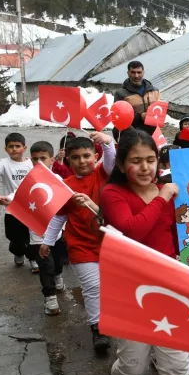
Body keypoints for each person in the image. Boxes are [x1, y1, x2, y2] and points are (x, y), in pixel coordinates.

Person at [100, 130, 189, 375]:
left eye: (150, 160)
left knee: (177, 365)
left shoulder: (172, 191)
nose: (145, 167)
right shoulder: (112, 193)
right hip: (129, 290)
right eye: (136, 161)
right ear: (122, 165)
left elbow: (179, 238)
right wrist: (162, 197)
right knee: (133, 366)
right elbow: (133, 231)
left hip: (170, 287)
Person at [40, 132, 115, 355]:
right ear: (68, 161)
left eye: (86, 155)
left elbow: (112, 161)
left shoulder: (104, 173)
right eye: (75, 157)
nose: (82, 161)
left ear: (95, 156)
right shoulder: (66, 186)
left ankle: (113, 320)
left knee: (109, 287)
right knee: (92, 288)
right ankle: (97, 330)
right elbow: (59, 217)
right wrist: (47, 241)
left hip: (111, 245)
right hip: (81, 246)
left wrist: (108, 143)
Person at [0, 141, 67, 314]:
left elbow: (68, 198)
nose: (39, 163)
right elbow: (17, 194)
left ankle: (58, 275)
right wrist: (8, 199)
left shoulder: (58, 180)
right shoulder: (27, 181)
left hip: (57, 232)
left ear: (52, 160)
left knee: (58, 262)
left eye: (43, 158)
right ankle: (50, 297)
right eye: (35, 159)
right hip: (37, 233)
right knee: (45, 265)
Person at [0, 132, 33, 268]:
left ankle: (33, 258)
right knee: (15, 236)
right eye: (10, 146)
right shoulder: (4, 163)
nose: (14, 149)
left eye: (17, 146)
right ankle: (18, 252)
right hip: (12, 209)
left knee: (32, 234)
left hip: (30, 207)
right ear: (6, 149)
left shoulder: (31, 163)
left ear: (24, 148)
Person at [113, 60, 161, 137]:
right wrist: (140, 116)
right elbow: (118, 117)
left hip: (153, 134)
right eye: (133, 72)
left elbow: (160, 110)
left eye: (139, 72)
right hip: (132, 135)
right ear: (128, 73)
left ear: (143, 73)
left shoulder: (155, 91)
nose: (136, 76)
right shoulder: (121, 93)